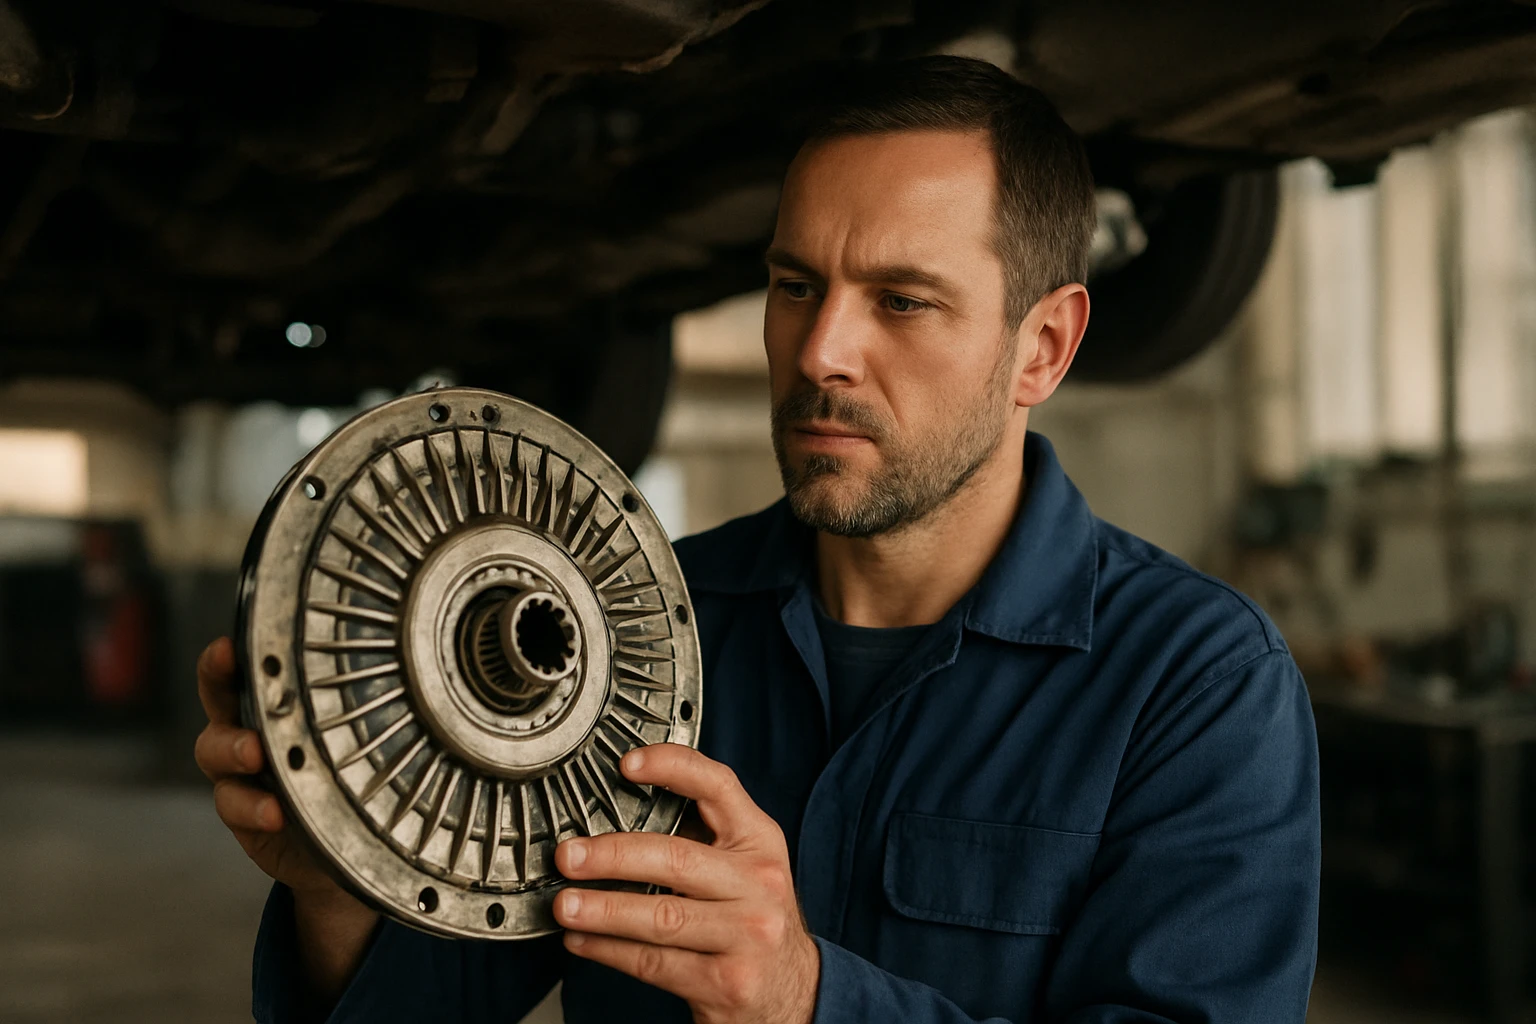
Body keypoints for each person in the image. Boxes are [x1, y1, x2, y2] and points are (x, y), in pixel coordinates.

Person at [195, 55, 1319, 1024]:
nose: (821, 348)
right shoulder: (633, 633)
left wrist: (804, 997)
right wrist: (339, 886)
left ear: (1043, 347)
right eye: (795, 283)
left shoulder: (1199, 685)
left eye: (903, 300)